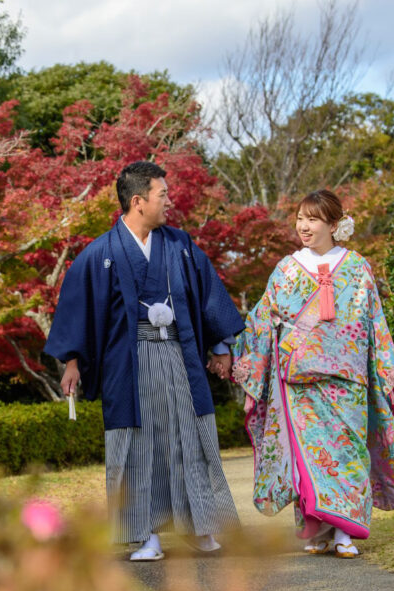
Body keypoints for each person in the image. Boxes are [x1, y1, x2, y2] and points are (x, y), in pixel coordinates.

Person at [44, 161, 244, 561]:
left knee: (190, 438)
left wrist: (220, 346)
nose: (168, 201)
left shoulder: (181, 245)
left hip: (179, 354)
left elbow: (208, 295)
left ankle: (199, 525)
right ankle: (144, 534)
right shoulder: (99, 253)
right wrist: (71, 361)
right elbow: (76, 309)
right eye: (162, 195)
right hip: (128, 363)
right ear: (138, 201)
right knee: (137, 446)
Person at [231, 189, 394, 558]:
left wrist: (390, 373)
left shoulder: (357, 267)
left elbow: (376, 324)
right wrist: (245, 360)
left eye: (312, 219)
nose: (304, 226)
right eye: (300, 218)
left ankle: (345, 533)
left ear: (334, 223)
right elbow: (261, 321)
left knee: (348, 454)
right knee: (309, 457)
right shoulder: (286, 269)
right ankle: (318, 530)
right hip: (300, 383)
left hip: (348, 380)